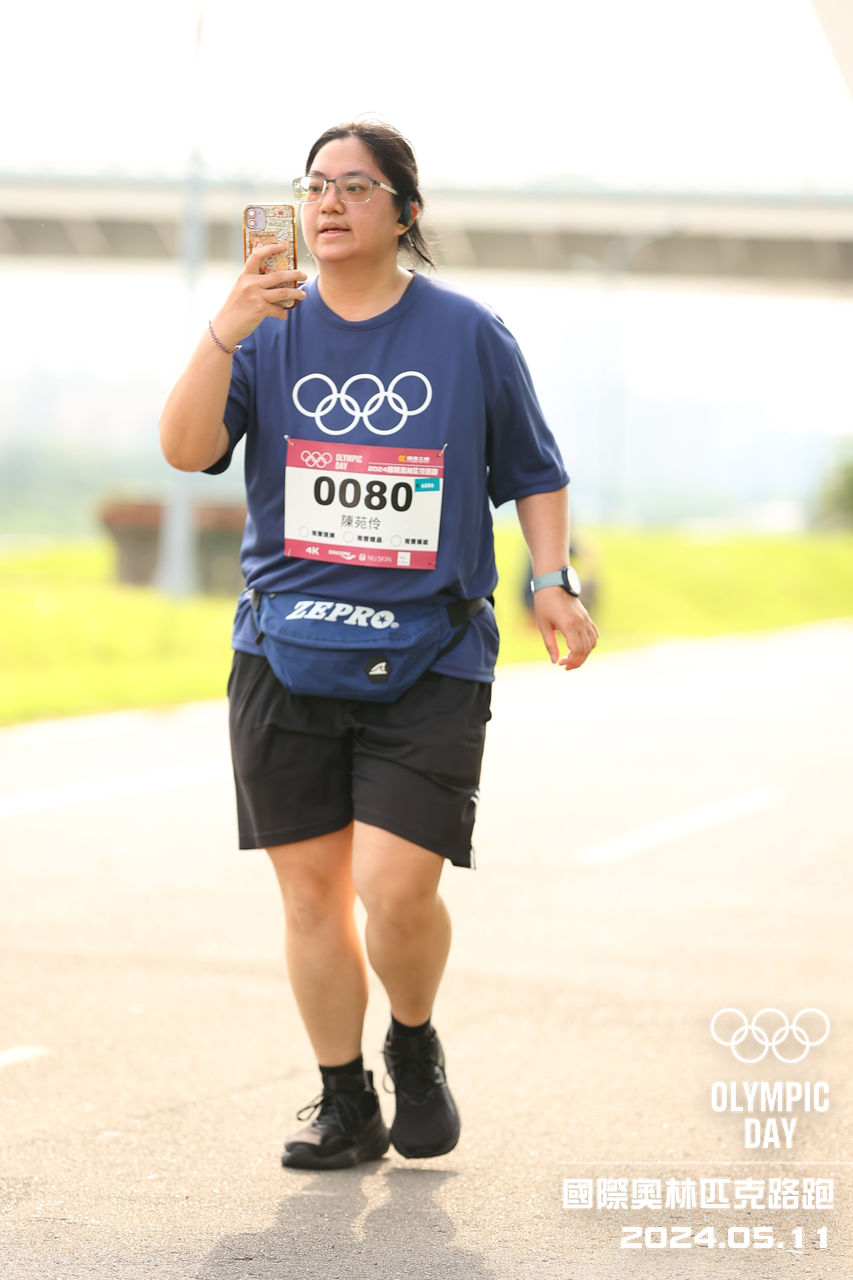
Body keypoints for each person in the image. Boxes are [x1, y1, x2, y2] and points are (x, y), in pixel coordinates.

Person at [159, 120, 598, 1171]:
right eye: (315, 184)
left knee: (395, 889)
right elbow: (184, 448)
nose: (329, 202)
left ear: (405, 210)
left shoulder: (467, 333)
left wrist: (550, 581)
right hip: (284, 649)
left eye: (356, 186)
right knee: (311, 895)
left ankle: (411, 1037)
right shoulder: (264, 329)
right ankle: (343, 1097)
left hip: (430, 651)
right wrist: (225, 325)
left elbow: (533, 471)